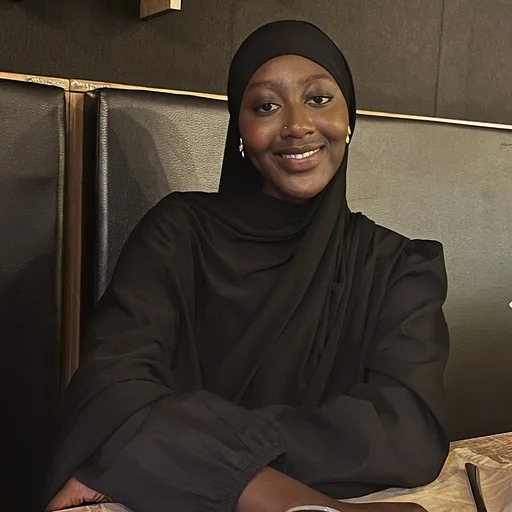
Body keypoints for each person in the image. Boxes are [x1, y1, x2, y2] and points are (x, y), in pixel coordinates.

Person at [44, 20, 449, 512]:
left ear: (350, 119)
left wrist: (175, 440)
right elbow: (110, 392)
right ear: (240, 129)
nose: (297, 125)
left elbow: (408, 431)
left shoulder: (400, 267)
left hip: (173, 480)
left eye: (319, 99)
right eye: (266, 106)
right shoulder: (178, 234)